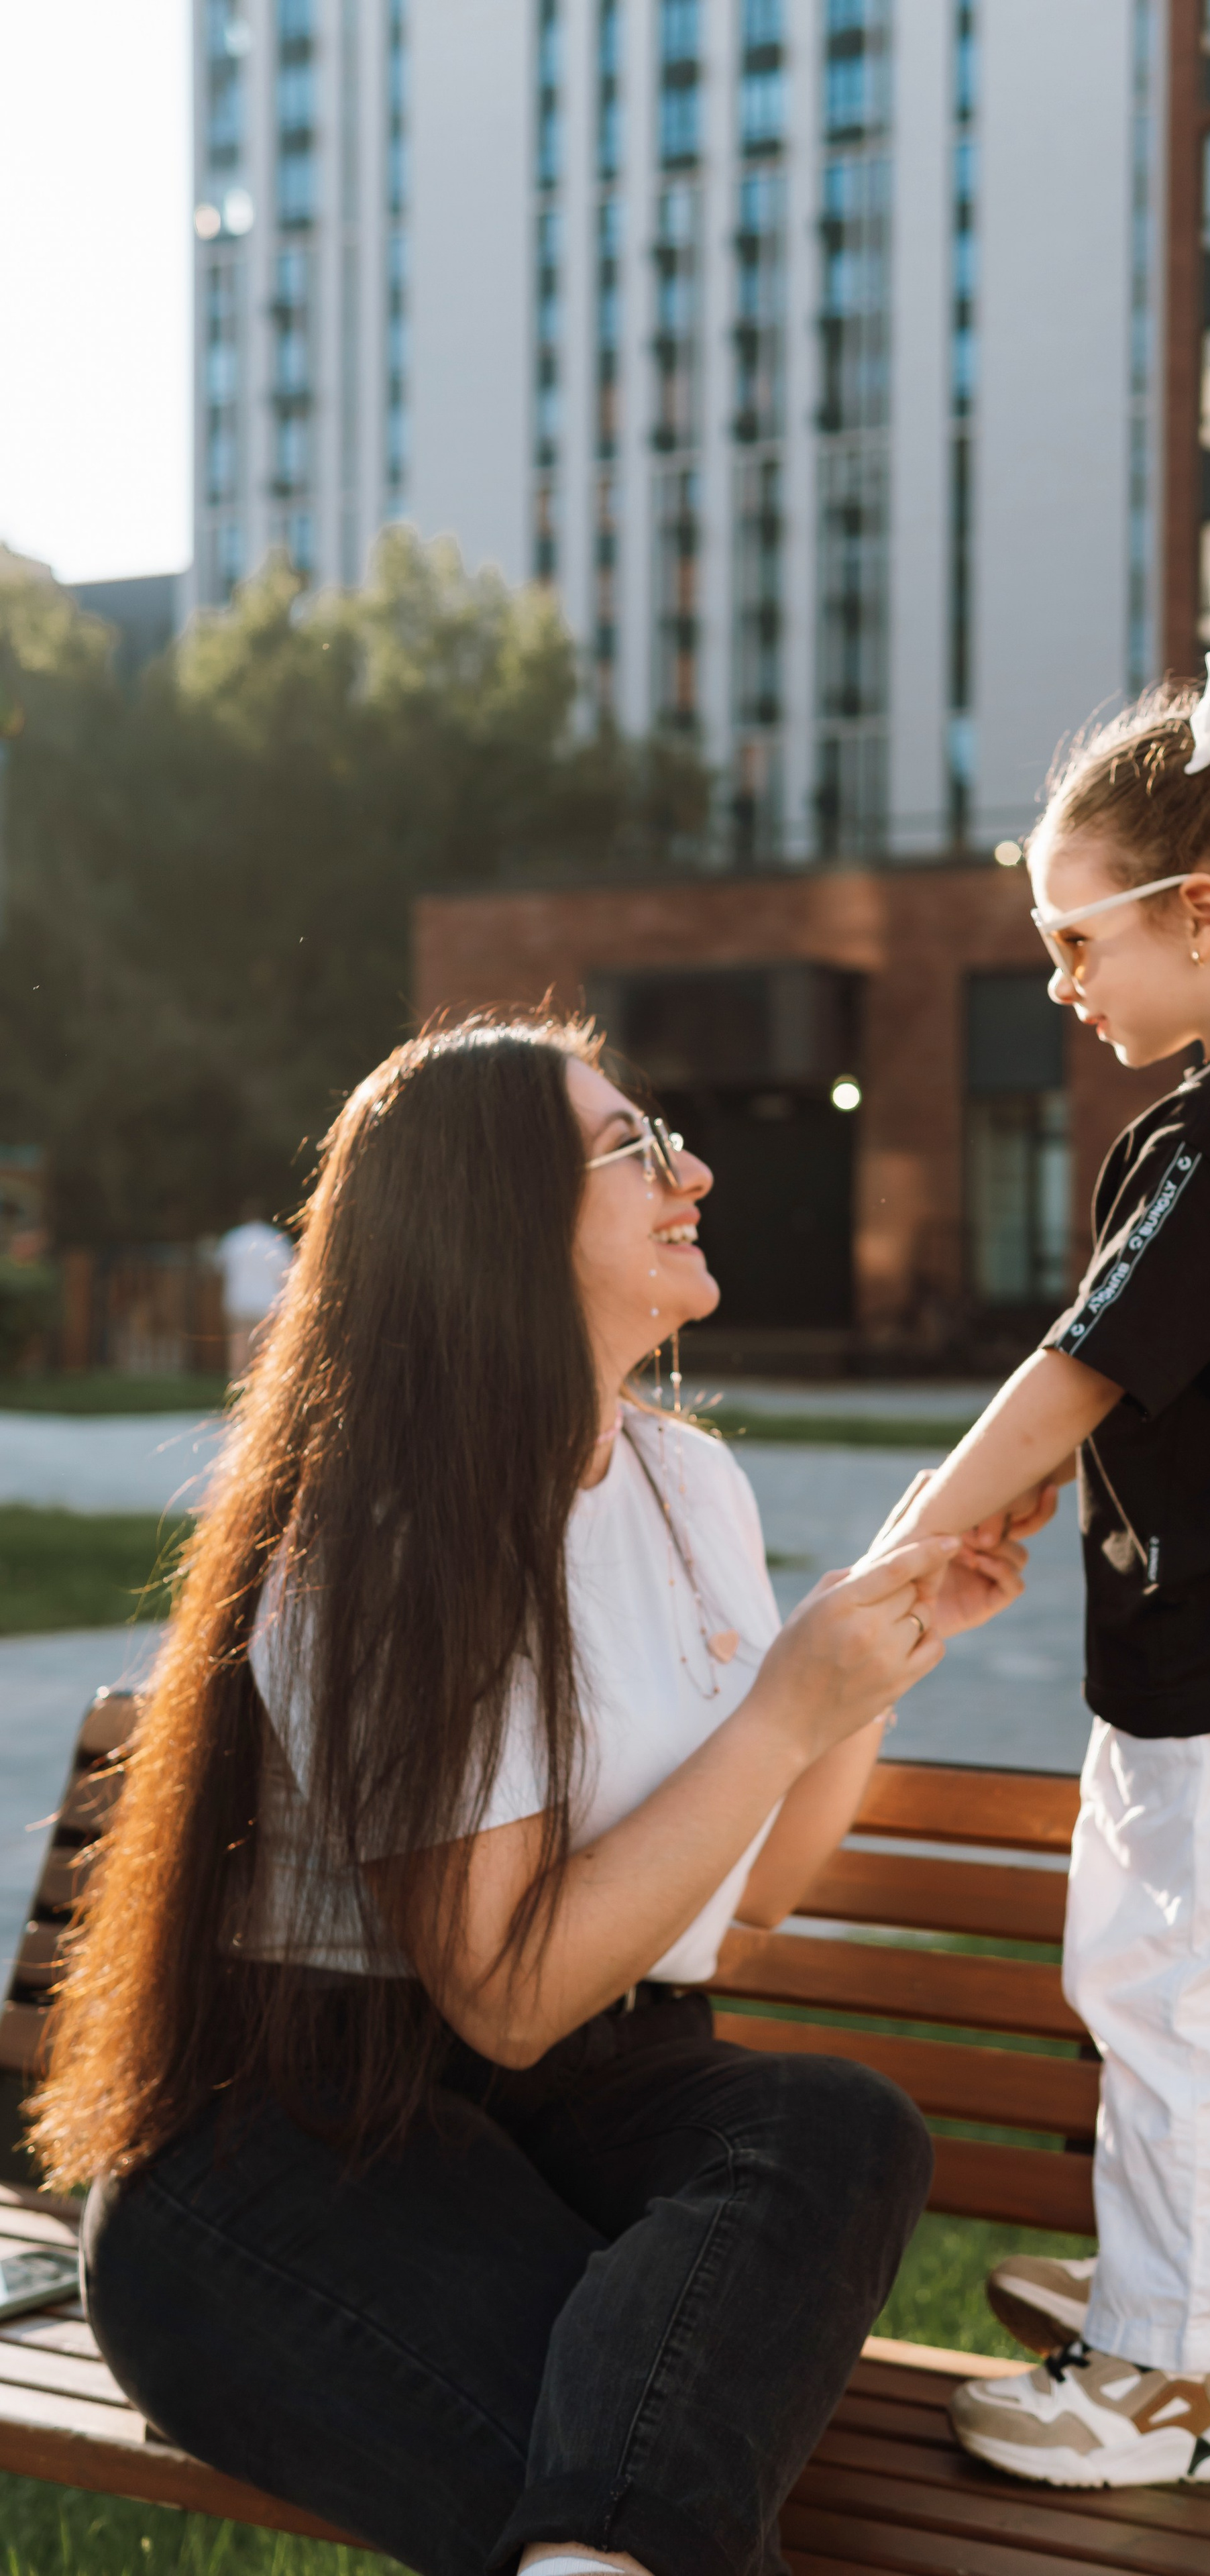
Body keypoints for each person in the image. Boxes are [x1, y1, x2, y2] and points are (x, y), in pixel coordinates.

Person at [34, 1016, 1027, 2576]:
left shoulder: (688, 1482)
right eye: (632, 1147)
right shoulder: (387, 1526)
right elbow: (498, 1995)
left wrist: (866, 1664)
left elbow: (745, 1905)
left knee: (833, 2124)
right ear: (497, 1219)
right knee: (660, 2497)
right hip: (304, 2157)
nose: (691, 1168)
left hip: (591, 2102)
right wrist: (779, 1711)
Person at [880, 645, 1210, 2490]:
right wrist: (1028, 1498)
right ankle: (1182, 2309)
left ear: (1200, 909)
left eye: (1078, 940)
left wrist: (924, 1517)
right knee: (1154, 1978)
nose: (1060, 979)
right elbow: (1141, 1393)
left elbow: (1082, 1363)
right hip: (1203, 1649)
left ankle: (1179, 2377)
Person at [217, 1212, 296, 1377]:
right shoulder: (276, 1240)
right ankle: (262, 1384)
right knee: (265, 1345)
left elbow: (220, 1267)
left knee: (239, 1343)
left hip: (239, 1301)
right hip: (268, 1303)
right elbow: (287, 1274)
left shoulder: (234, 1239)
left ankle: (236, 1383)